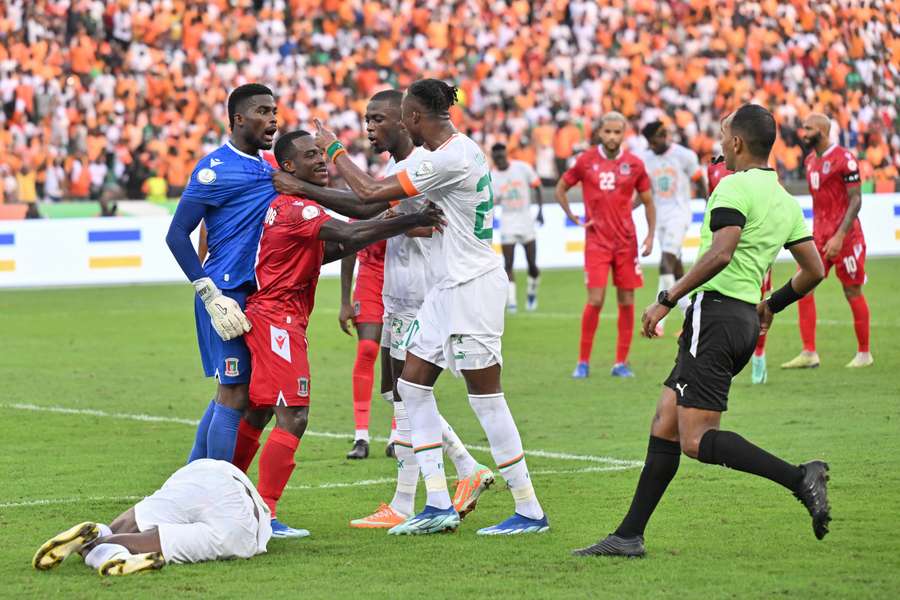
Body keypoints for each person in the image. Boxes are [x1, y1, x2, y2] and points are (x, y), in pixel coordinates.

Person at [573, 105, 830, 558]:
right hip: (742, 321)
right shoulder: (783, 198)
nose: (718, 141)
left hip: (714, 317)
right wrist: (771, 304)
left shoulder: (733, 186)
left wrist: (667, 298)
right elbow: (814, 269)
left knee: (695, 439)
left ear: (737, 143)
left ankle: (799, 477)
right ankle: (629, 535)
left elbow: (722, 252)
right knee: (665, 424)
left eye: (723, 133)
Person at [312, 79, 549, 536]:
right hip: (444, 289)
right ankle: (437, 504)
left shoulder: (451, 158)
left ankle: (529, 508)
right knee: (411, 387)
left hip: (472, 286)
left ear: (416, 119)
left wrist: (334, 149)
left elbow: (367, 194)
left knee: (486, 400)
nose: (401, 124)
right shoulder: (434, 154)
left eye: (404, 117)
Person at [228, 129, 446, 538]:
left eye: (320, 154)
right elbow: (348, 232)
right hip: (277, 321)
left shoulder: (294, 205)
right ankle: (265, 512)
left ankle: (223, 492)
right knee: (294, 415)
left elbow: (332, 249)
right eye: (310, 156)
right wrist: (410, 218)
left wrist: (389, 223)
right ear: (288, 167)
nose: (320, 161)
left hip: (276, 316)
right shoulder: (297, 207)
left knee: (258, 412)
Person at [346, 90, 494, 529]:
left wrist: (318, 171)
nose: (370, 127)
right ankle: (428, 489)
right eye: (366, 118)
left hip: (421, 295)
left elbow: (369, 206)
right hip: (400, 295)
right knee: (398, 395)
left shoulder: (419, 171)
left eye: (377, 119)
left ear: (404, 120)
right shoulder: (400, 169)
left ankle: (432, 490)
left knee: (408, 396)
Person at [164, 83, 279, 464]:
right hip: (225, 294)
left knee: (233, 393)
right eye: (262, 111)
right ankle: (218, 495)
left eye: (274, 111)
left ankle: (193, 482)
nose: (272, 119)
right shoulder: (215, 169)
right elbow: (177, 233)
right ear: (238, 119)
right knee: (234, 393)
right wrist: (208, 293)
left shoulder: (268, 167)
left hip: (255, 292)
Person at [32, 459, 271, 576]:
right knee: (160, 540)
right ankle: (107, 550)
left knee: (127, 524)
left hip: (206, 471)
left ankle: (100, 534)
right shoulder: (246, 539)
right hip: (238, 528)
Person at [556, 112, 656, 379]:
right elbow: (560, 189)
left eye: (617, 132)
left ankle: (620, 363)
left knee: (626, 300)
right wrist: (574, 217)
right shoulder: (586, 161)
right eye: (608, 131)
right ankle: (583, 362)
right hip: (597, 241)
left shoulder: (634, 164)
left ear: (624, 134)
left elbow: (648, 201)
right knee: (596, 299)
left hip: (626, 242)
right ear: (600, 133)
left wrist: (650, 236)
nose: (612, 136)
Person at [782, 112, 872, 369]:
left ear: (822, 130)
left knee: (852, 290)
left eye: (808, 129)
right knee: (802, 287)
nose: (803, 133)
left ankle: (864, 353)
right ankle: (809, 352)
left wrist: (840, 235)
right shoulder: (810, 161)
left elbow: (856, 199)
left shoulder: (845, 159)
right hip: (819, 237)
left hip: (846, 236)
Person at [708, 153, 770, 384]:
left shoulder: (759, 172)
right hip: (724, 249)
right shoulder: (714, 169)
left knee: (756, 305)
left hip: (752, 251)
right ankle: (726, 362)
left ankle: (759, 357)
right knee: (724, 305)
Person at [640, 121, 705, 335]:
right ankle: (690, 315)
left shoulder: (684, 155)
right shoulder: (646, 159)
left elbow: (699, 180)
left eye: (655, 141)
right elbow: (644, 193)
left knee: (665, 264)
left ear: (664, 135)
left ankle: (658, 322)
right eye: (649, 143)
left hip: (679, 214)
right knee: (676, 268)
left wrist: (710, 205)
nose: (652, 146)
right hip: (659, 217)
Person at [338, 239, 392, 459]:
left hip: (404, 277)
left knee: (398, 354)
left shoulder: (410, 203)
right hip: (370, 276)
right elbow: (349, 242)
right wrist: (344, 302)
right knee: (368, 349)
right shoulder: (367, 204)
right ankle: (361, 436)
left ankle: (398, 436)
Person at [490, 142, 544, 313]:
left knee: (532, 265)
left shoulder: (522, 168)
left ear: (506, 154)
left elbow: (537, 186)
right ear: (493, 158)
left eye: (501, 155)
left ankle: (532, 292)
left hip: (526, 219)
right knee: (508, 264)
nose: (499, 159)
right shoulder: (492, 177)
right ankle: (511, 301)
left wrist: (540, 210)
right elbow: (492, 201)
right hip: (508, 222)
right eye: (496, 157)